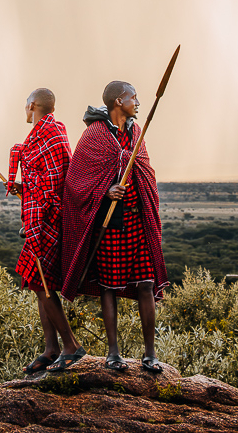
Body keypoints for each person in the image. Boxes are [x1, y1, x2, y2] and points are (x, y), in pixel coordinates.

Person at [61, 81, 168, 373]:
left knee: (146, 284)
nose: (138, 102)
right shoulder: (94, 134)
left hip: (137, 219)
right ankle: (113, 354)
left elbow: (145, 170)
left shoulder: (136, 132)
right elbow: (76, 181)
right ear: (119, 100)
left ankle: (150, 355)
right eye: (134, 97)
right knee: (109, 287)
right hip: (110, 223)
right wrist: (105, 191)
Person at [7, 87, 85, 373]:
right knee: (38, 283)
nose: (24, 110)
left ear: (33, 105)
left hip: (47, 220)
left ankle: (71, 346)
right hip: (42, 215)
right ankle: (51, 348)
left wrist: (34, 219)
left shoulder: (50, 134)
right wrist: (23, 187)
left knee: (43, 285)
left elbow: (53, 184)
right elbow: (41, 178)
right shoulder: (50, 132)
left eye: (26, 105)